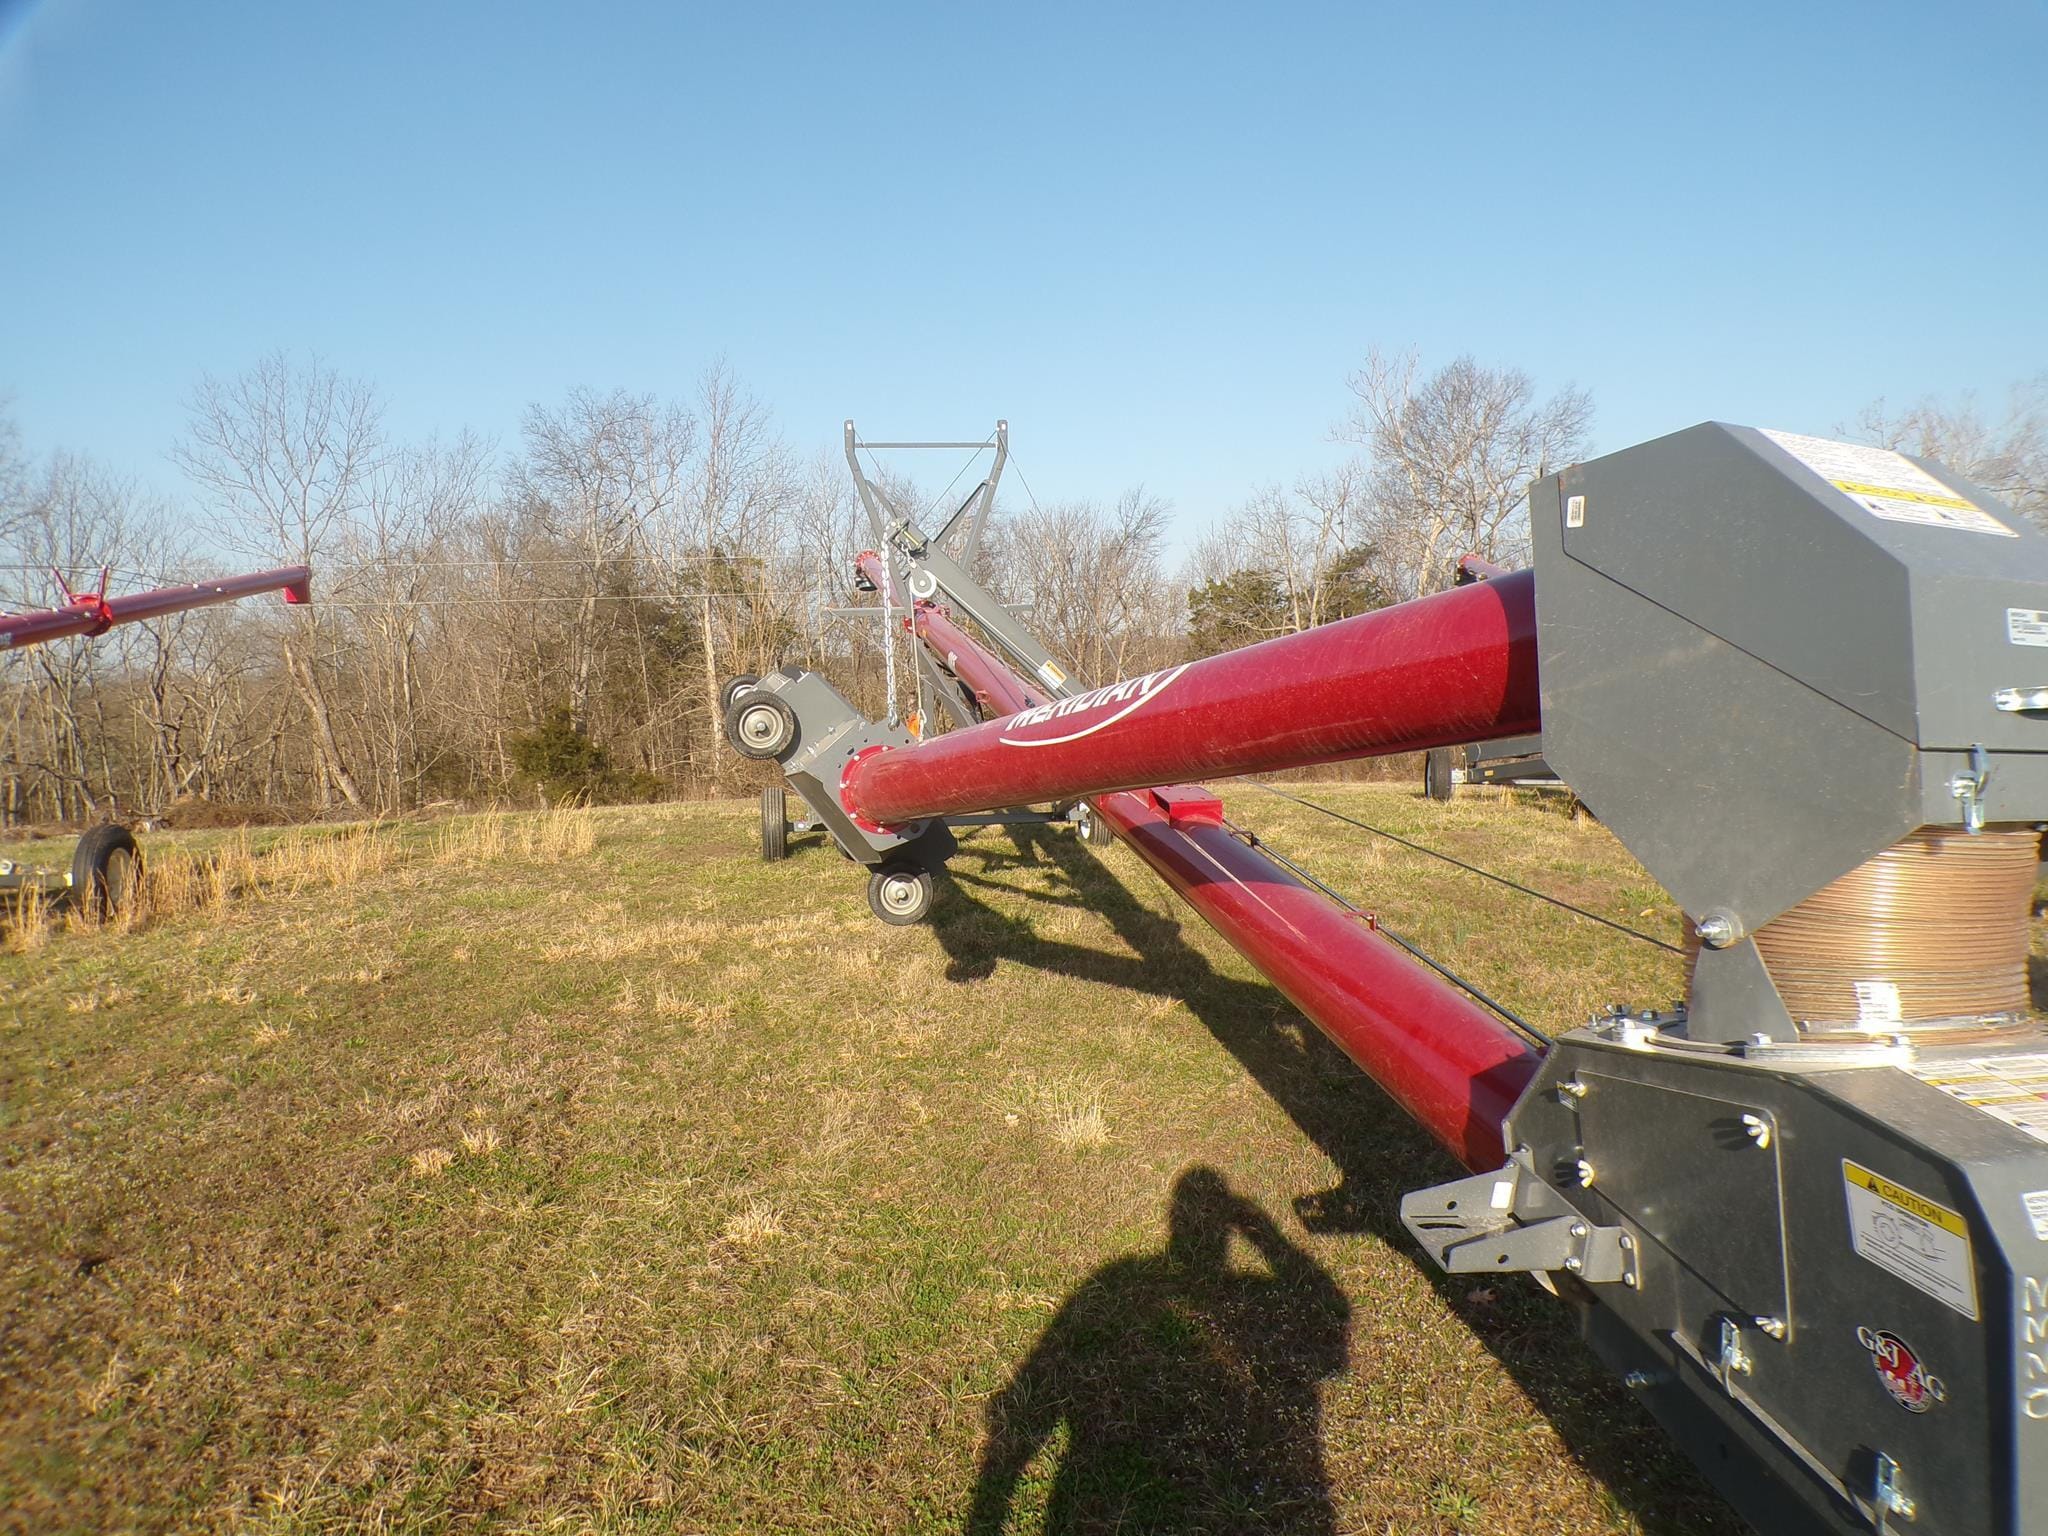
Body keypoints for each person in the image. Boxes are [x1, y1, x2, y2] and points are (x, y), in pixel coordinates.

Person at [967, 1166, 1349, 1534]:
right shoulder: (1143, 1282)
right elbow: (1329, 1323)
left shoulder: (1119, 1277)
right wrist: (1265, 1234)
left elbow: (1025, 1400)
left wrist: (993, 1497)